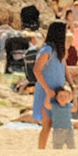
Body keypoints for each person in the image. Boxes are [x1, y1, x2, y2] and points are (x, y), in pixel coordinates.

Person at [30, 21, 74, 149]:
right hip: (46, 92)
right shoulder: (47, 50)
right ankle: (41, 151)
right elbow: (36, 70)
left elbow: (64, 67)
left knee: (58, 123)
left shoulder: (60, 51)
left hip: (58, 92)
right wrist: (47, 89)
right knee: (47, 124)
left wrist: (71, 83)